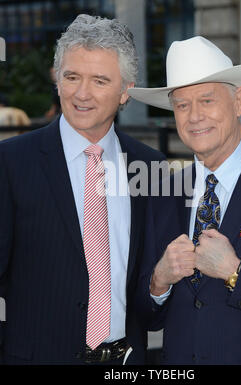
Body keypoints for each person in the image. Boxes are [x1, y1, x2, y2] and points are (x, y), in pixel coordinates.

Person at [0, 14, 165, 365]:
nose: (82, 93)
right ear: (57, 80)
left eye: (100, 80)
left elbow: (148, 282)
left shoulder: (150, 166)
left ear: (125, 92)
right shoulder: (10, 162)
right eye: (72, 76)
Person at [129, 36, 241, 365]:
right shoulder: (162, 193)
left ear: (238, 101)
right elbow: (146, 317)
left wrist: (235, 272)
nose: (194, 116)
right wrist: (159, 280)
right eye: (182, 105)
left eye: (207, 100)